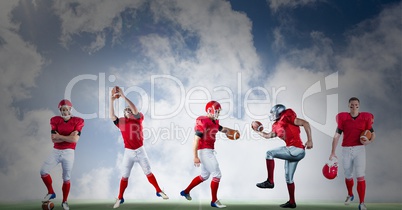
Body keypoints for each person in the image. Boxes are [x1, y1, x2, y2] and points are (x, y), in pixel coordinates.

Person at [109, 87, 168, 209]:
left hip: (140, 150)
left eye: (130, 110)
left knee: (148, 171)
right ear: (124, 114)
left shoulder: (138, 118)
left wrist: (124, 97)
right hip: (128, 152)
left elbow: (135, 110)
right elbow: (112, 116)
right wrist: (111, 101)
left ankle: (158, 190)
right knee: (124, 175)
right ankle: (120, 197)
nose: (129, 111)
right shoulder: (121, 122)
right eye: (126, 111)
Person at [253, 104, 313, 209]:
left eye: (272, 113)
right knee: (289, 179)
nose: (271, 115)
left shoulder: (287, 116)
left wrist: (310, 139)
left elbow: (305, 123)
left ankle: (270, 181)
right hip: (292, 151)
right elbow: (268, 136)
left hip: (296, 148)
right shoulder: (276, 125)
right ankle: (292, 202)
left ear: (278, 112)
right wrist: (258, 131)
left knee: (269, 153)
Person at [180, 100, 237, 208]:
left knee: (204, 176)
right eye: (217, 111)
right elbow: (195, 140)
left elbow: (222, 129)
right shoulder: (203, 121)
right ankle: (214, 201)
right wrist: (195, 156)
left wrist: (232, 131)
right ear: (210, 110)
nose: (218, 113)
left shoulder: (215, 122)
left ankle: (185, 191)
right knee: (217, 175)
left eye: (219, 111)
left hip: (209, 151)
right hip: (204, 151)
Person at [329, 97, 375, 210]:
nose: (354, 107)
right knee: (348, 175)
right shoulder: (343, 118)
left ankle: (362, 203)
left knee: (360, 175)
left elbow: (372, 133)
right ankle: (350, 194)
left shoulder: (365, 118)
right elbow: (336, 136)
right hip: (346, 149)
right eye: (352, 105)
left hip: (359, 149)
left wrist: (369, 141)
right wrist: (333, 152)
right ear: (348, 106)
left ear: (359, 106)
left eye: (356, 105)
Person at [40, 99, 85, 210]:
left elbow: (74, 140)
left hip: (69, 152)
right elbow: (53, 139)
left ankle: (64, 201)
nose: (64, 112)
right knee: (43, 171)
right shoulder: (55, 120)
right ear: (60, 110)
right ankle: (51, 192)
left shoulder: (78, 121)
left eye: (66, 109)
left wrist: (60, 136)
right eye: (62, 109)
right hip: (56, 151)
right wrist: (68, 137)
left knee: (66, 178)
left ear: (70, 109)